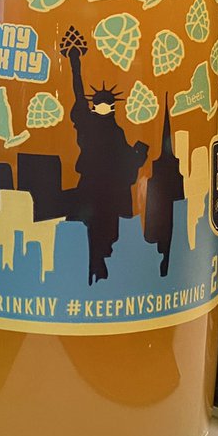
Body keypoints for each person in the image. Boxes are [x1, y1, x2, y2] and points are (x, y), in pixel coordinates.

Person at [60, 27, 149, 283]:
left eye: (106, 103)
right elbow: (78, 94)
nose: (102, 107)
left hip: (108, 190)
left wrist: (139, 154)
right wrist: (75, 64)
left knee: (107, 234)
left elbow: (126, 160)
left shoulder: (115, 130)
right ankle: (91, 268)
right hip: (93, 186)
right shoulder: (88, 123)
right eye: (98, 103)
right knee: (88, 230)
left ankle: (98, 269)